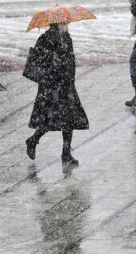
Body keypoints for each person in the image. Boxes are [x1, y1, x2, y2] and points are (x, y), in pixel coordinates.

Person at [25, 22, 89, 165]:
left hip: (66, 85)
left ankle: (65, 153)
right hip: (51, 86)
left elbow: (70, 60)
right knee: (50, 119)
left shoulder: (67, 37)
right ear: (57, 23)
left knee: (68, 119)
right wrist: (50, 57)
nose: (67, 25)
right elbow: (37, 60)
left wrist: (70, 81)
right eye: (65, 23)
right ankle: (33, 140)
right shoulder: (45, 38)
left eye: (67, 22)